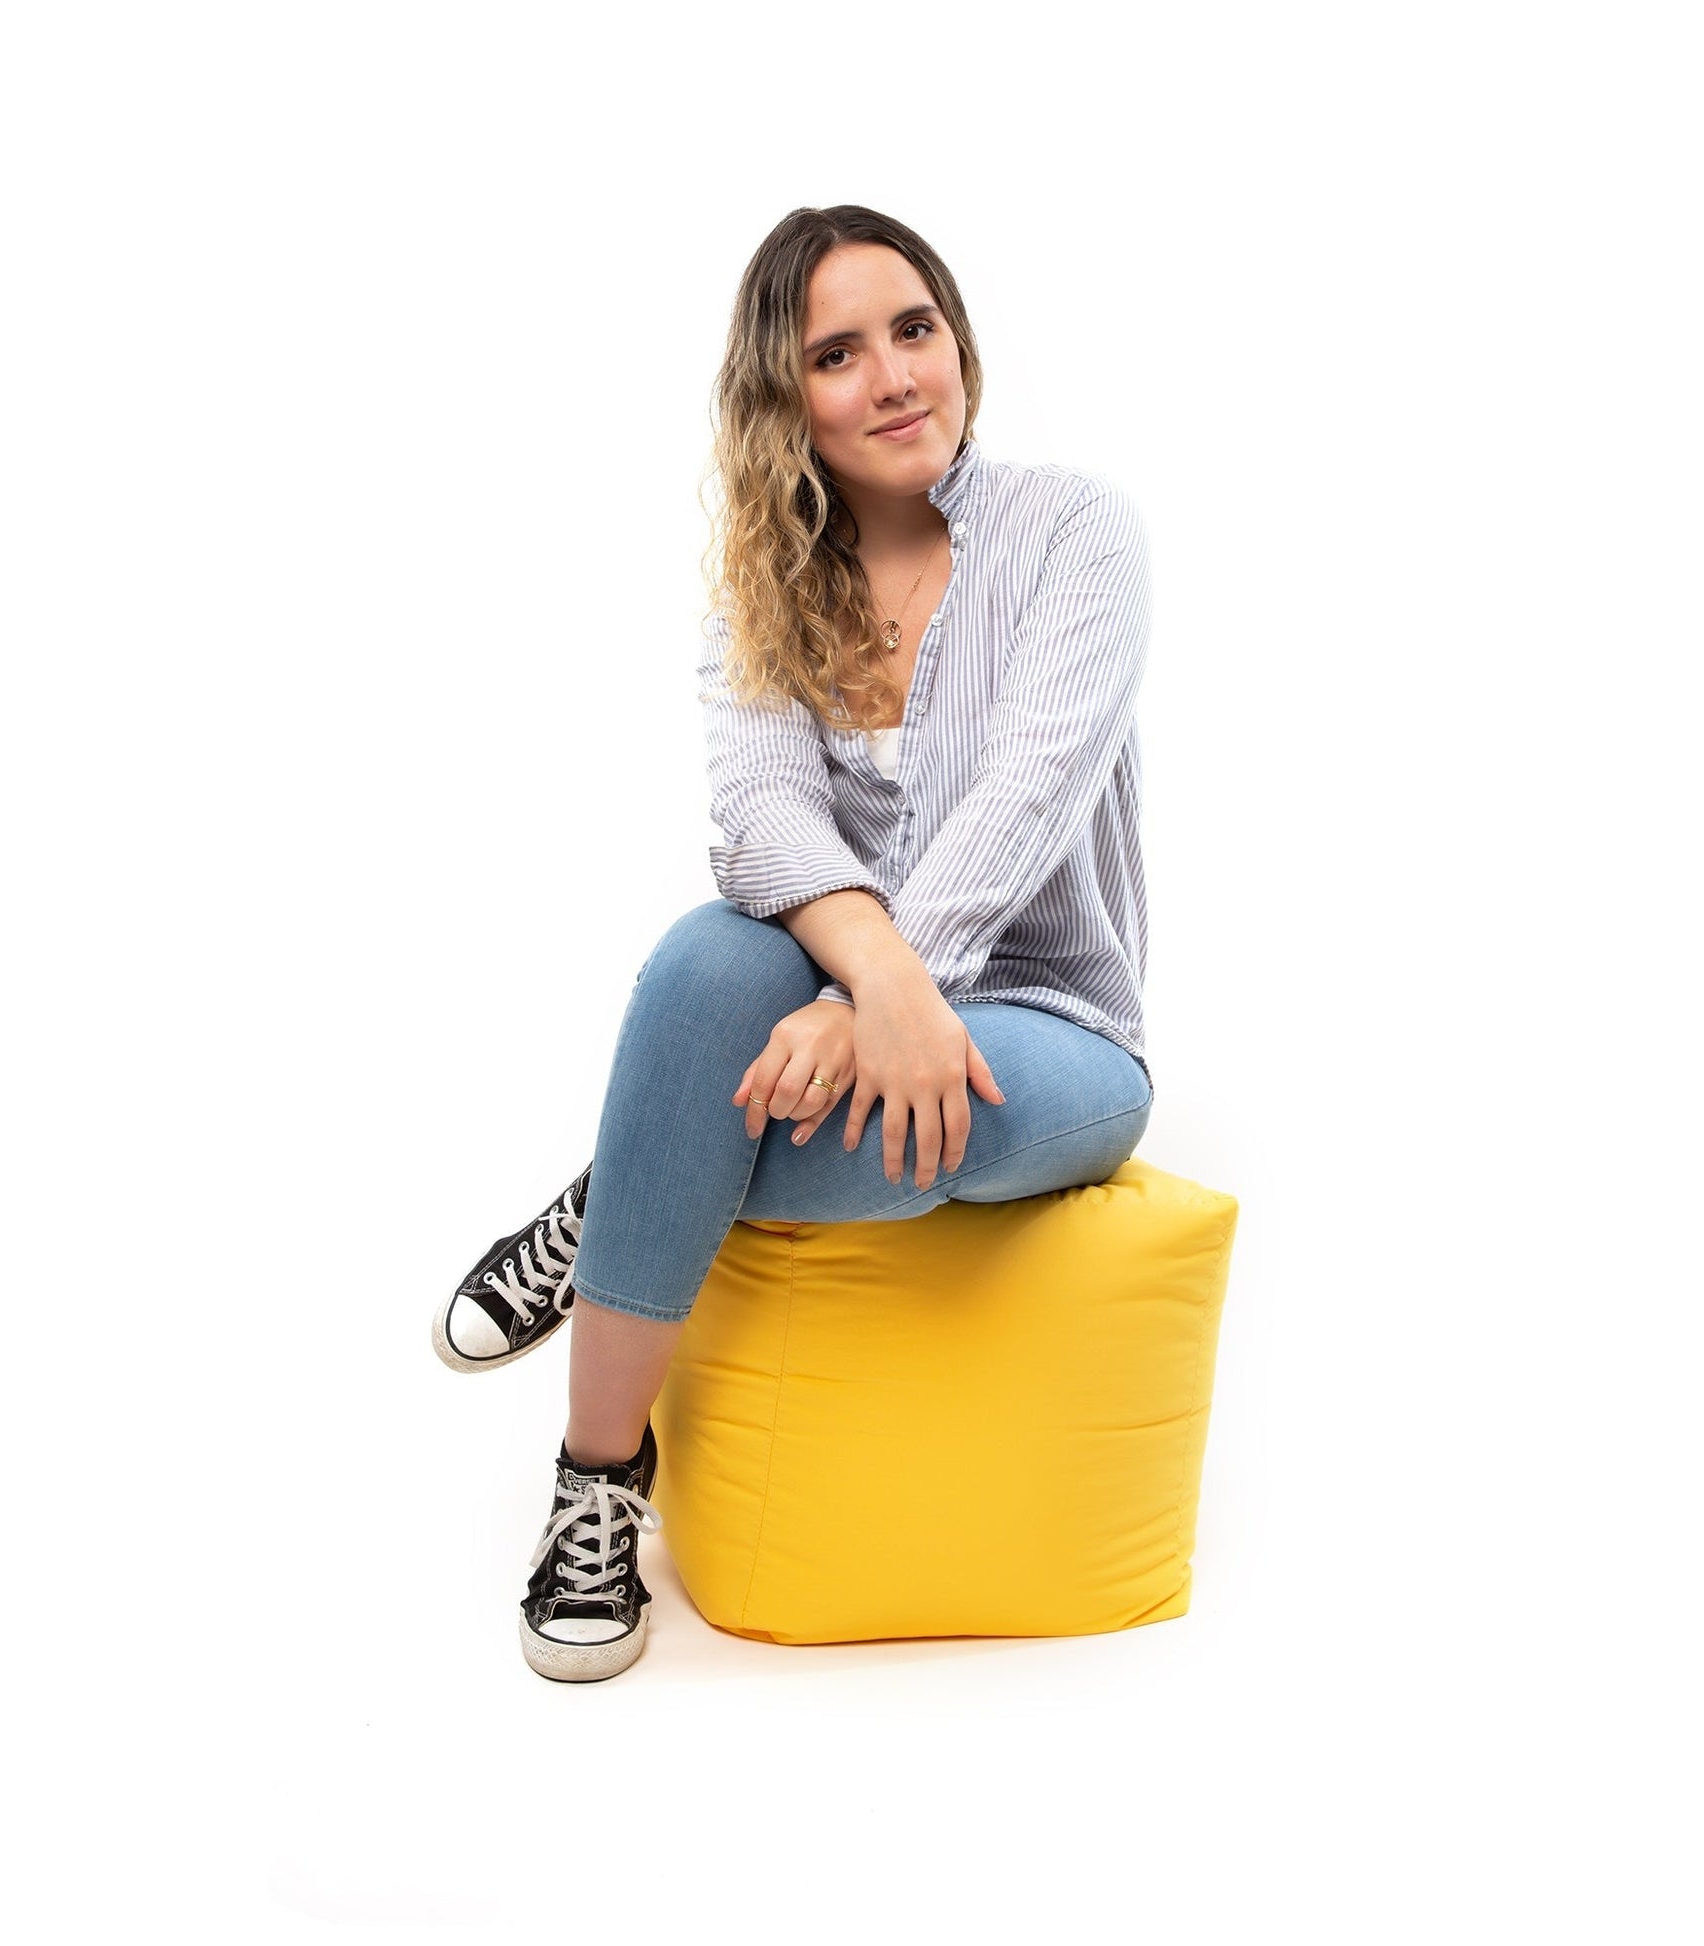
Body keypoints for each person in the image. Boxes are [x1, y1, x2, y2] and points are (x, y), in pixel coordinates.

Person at [432, 204, 1158, 1683]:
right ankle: (597, 1480)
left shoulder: (1075, 533)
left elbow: (1025, 798)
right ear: (785, 397)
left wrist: (883, 993)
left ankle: (614, 1202)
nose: (894, 375)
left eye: (914, 328)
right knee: (708, 957)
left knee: (848, 1090)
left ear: (959, 341)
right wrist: (871, 983)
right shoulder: (761, 590)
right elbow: (762, 824)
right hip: (848, 995)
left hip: (1050, 1022)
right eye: (837, 352)